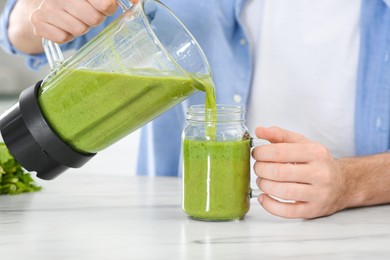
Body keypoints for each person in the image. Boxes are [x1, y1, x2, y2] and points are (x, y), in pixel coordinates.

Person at [1, 0, 389, 219]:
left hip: (353, 229)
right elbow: (23, 32)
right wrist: (36, 13)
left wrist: (352, 182)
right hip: (174, 233)